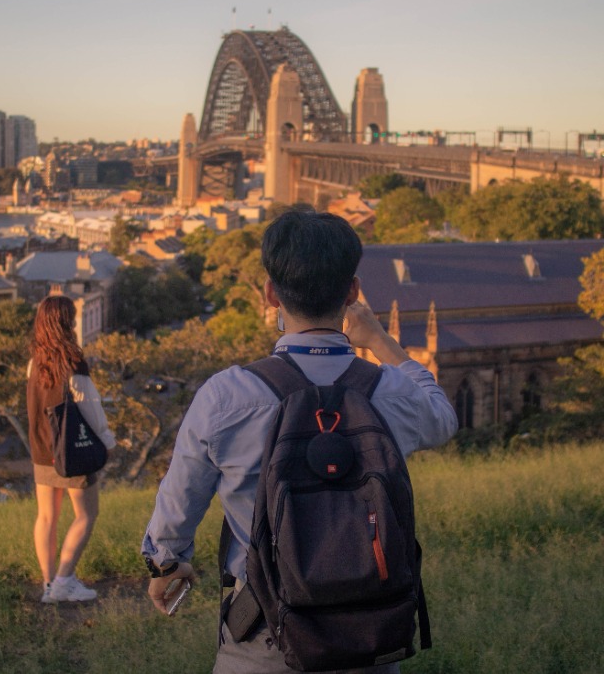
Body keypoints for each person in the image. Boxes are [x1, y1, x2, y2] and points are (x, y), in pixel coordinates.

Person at [141, 210, 457, 673]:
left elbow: (179, 497)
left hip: (264, 635)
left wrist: (166, 565)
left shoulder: (228, 395)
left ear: (271, 294)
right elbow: (443, 417)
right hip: (367, 635)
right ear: (352, 292)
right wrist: (381, 341)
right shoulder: (386, 391)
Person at [28, 295, 116, 604]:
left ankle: (49, 583)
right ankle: (65, 580)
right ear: (67, 323)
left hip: (42, 450)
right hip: (72, 451)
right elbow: (89, 406)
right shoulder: (73, 362)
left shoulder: (34, 362)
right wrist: (107, 441)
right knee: (87, 514)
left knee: (46, 517)